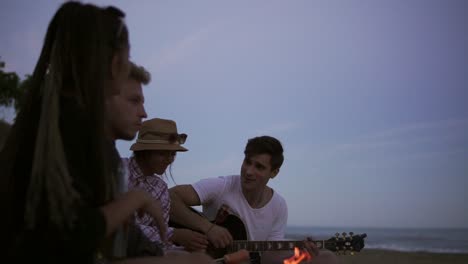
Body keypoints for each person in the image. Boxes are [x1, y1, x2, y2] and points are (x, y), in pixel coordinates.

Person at [0, 2, 211, 264]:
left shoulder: (49, 119)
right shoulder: (74, 130)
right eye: (135, 101)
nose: (143, 112)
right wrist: (132, 202)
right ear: (114, 64)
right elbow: (66, 239)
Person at [170, 135, 339, 264]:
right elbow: (169, 197)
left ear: (274, 172)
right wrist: (208, 228)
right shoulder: (222, 186)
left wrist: (299, 252)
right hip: (201, 257)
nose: (249, 171)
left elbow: (268, 256)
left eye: (259, 167)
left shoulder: (278, 205)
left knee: (326, 258)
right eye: (247, 162)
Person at [123, 117, 209, 254]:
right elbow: (120, 227)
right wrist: (173, 234)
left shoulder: (161, 189)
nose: (169, 159)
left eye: (173, 154)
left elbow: (160, 245)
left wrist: (185, 252)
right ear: (145, 152)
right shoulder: (119, 172)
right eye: (163, 153)